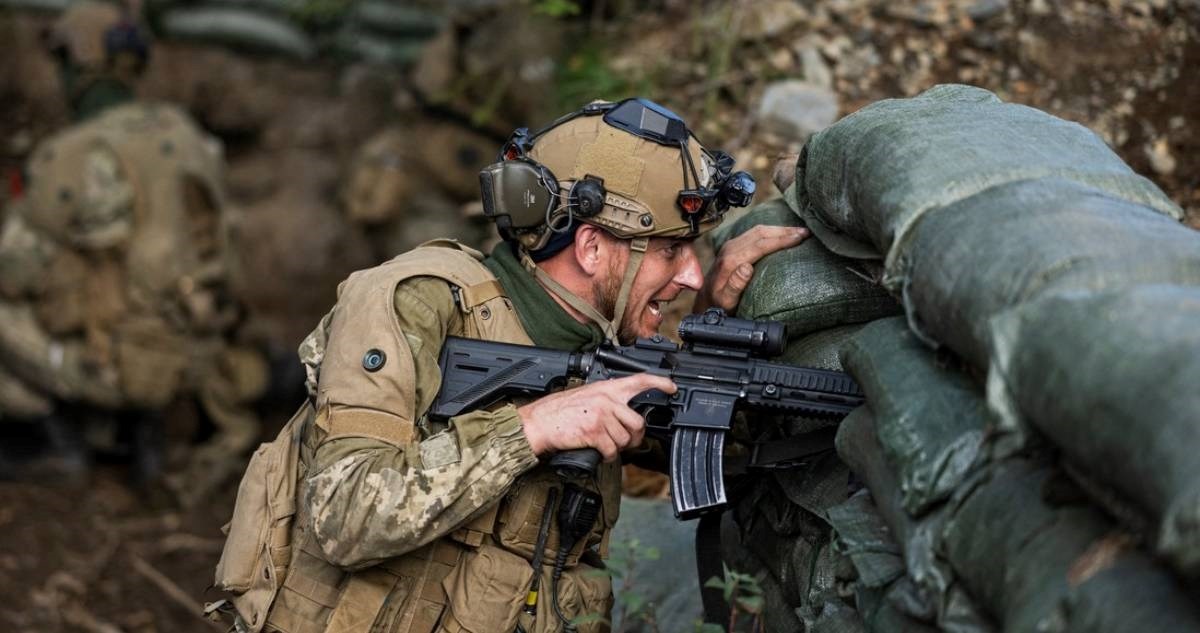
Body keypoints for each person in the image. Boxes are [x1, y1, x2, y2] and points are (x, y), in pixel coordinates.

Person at [218, 98, 807, 633]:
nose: (690, 276)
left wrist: (716, 326)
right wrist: (532, 429)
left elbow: (739, 458)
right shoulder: (413, 302)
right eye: (672, 251)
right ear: (593, 248)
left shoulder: (602, 350)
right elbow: (343, 515)